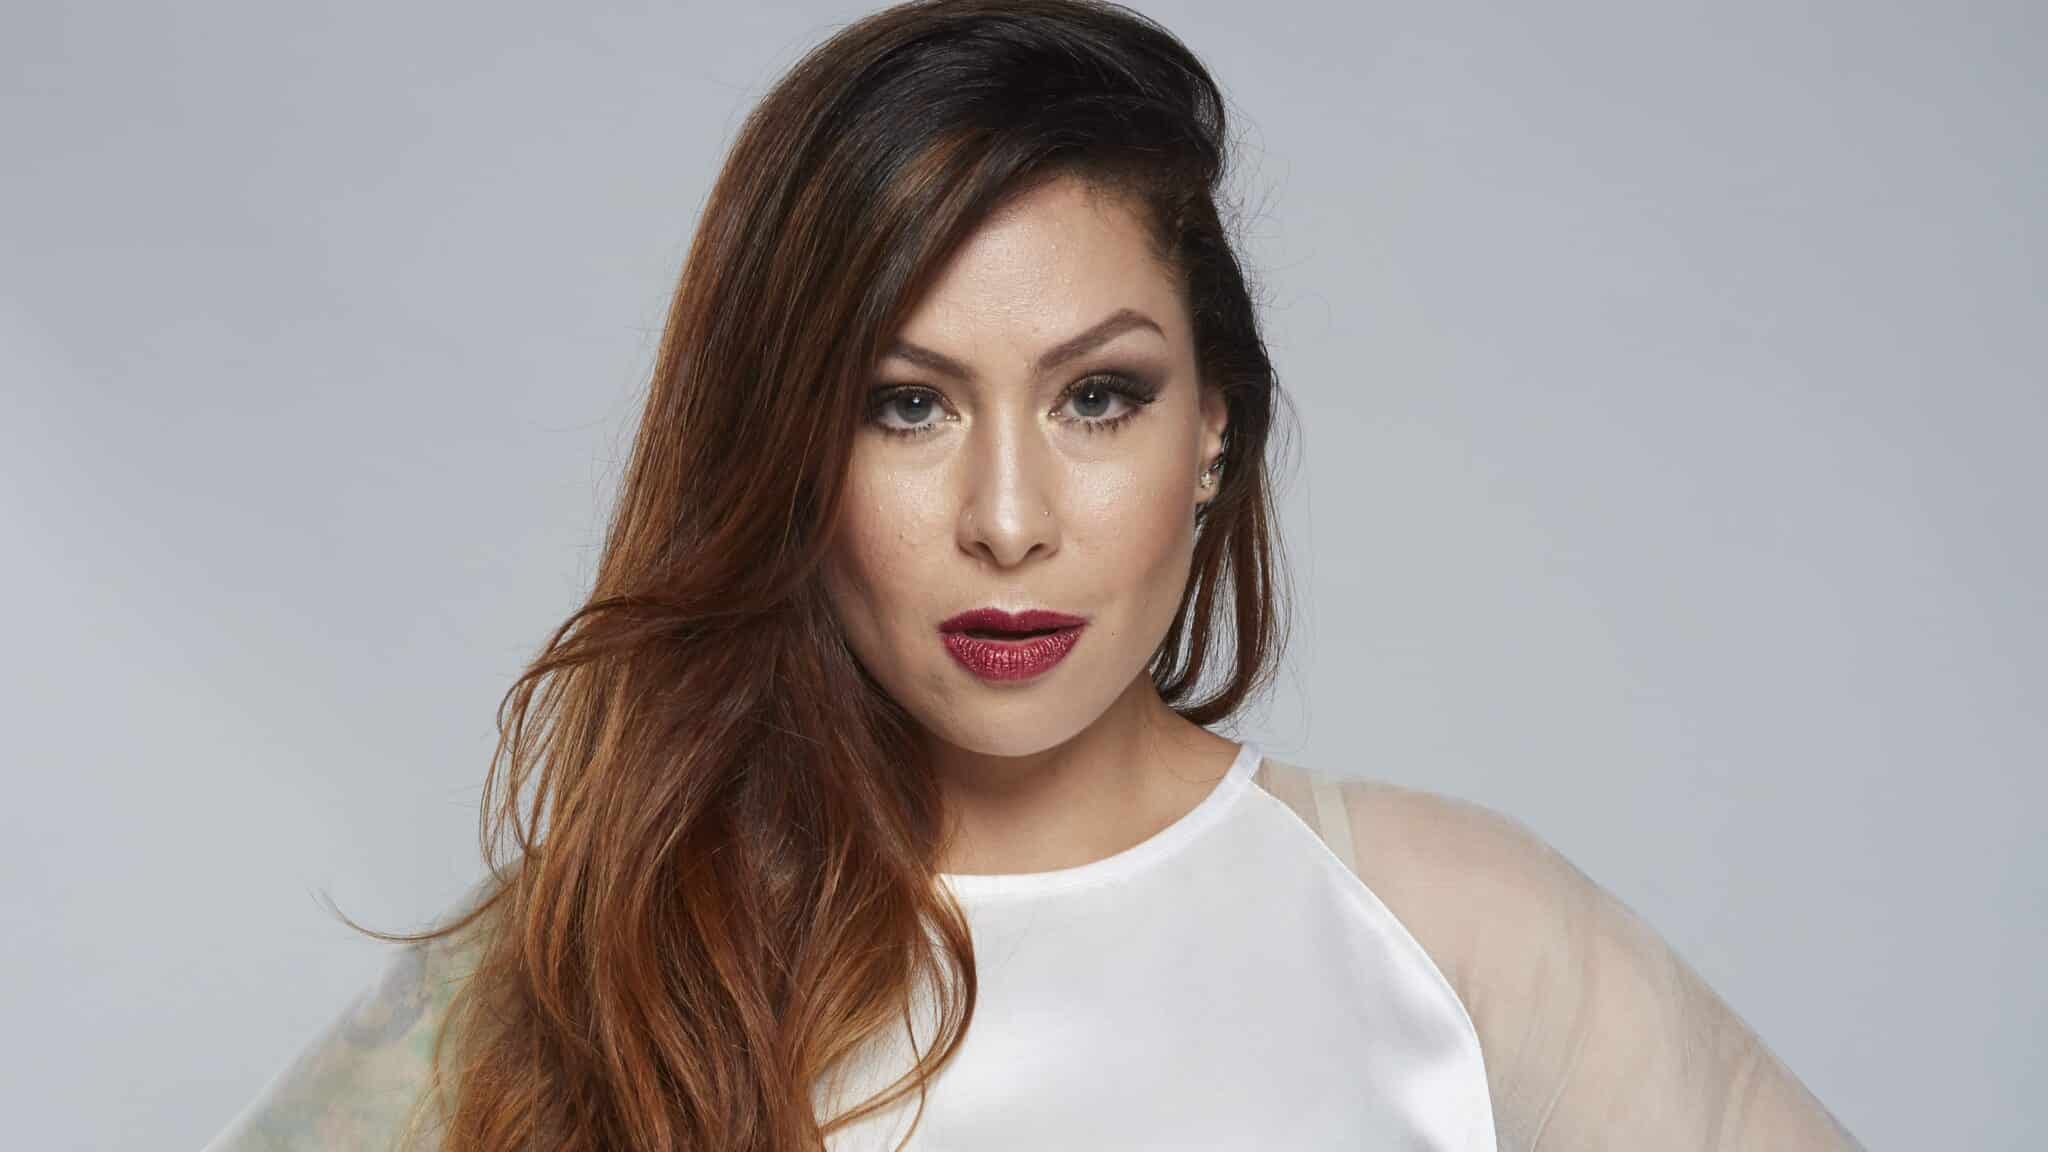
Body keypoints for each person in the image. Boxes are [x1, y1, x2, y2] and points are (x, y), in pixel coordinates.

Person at [201, 1, 1868, 1149]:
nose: (1007, 519)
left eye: (1098, 397)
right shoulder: (603, 956)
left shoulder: (1456, 933)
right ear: (788, 451)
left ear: (1212, 431)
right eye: (906, 404)